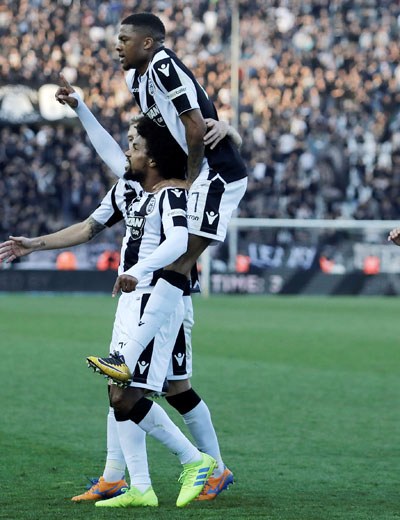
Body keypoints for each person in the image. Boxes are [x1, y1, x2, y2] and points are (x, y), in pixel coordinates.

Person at [54, 76, 241, 502]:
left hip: (162, 294)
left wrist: (228, 129)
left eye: (133, 143)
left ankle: (198, 467)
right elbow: (109, 152)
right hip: (152, 293)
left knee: (137, 389)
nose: (126, 149)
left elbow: (216, 148)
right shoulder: (140, 178)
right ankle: (126, 476)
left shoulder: (174, 181)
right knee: (167, 387)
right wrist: (81, 108)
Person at [89, 12, 247, 409]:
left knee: (182, 258)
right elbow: (179, 131)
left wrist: (190, 181)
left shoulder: (162, 66)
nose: (117, 46)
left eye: (124, 39)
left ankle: (127, 356)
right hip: (202, 172)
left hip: (217, 175)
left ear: (148, 42)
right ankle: (138, 353)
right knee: (180, 266)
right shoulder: (138, 80)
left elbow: (195, 127)